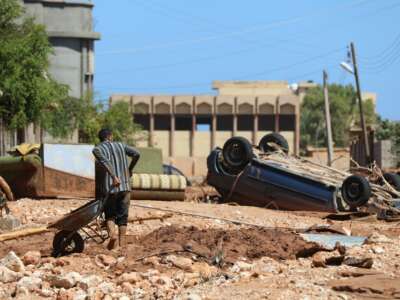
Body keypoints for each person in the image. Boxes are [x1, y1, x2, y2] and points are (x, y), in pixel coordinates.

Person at [92, 129, 140, 251]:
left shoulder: (97, 149)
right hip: (125, 187)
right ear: (110, 136)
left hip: (110, 188)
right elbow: (136, 154)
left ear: (101, 138)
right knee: (123, 216)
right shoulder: (121, 145)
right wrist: (130, 169)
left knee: (110, 215)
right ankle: (122, 245)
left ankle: (112, 236)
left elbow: (105, 161)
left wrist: (113, 177)